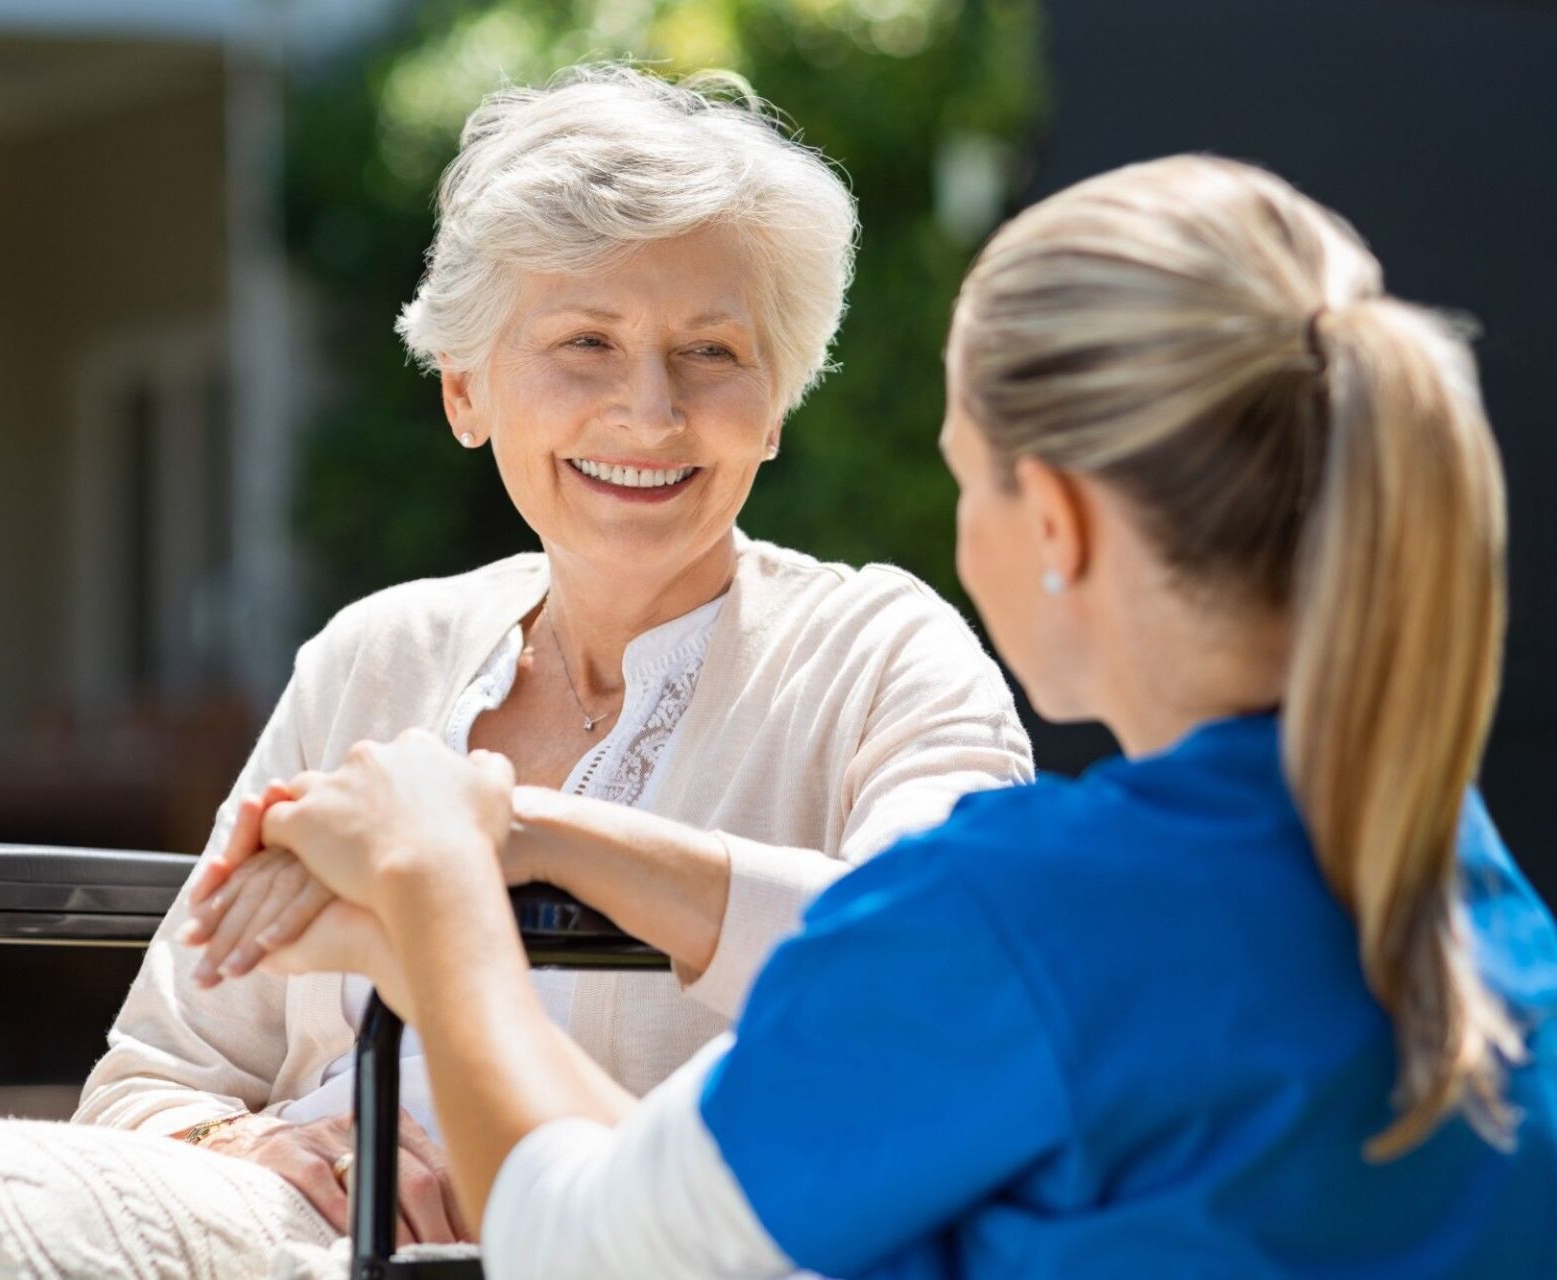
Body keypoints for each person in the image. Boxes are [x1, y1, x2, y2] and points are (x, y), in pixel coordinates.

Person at [233, 155, 1557, 1277]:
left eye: (964, 478)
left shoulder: (1017, 925)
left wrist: (436, 880)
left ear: (1059, 524)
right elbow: (683, 1220)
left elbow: (590, 1246)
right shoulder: (1464, 888)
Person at [73, 64, 1032, 1249]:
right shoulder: (374, 657)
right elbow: (151, 1079)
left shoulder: (887, 653)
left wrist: (512, 830)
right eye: (586, 341)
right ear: (466, 389)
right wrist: (263, 1149)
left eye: (713, 352)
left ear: (777, 402)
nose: (650, 411)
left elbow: (938, 974)